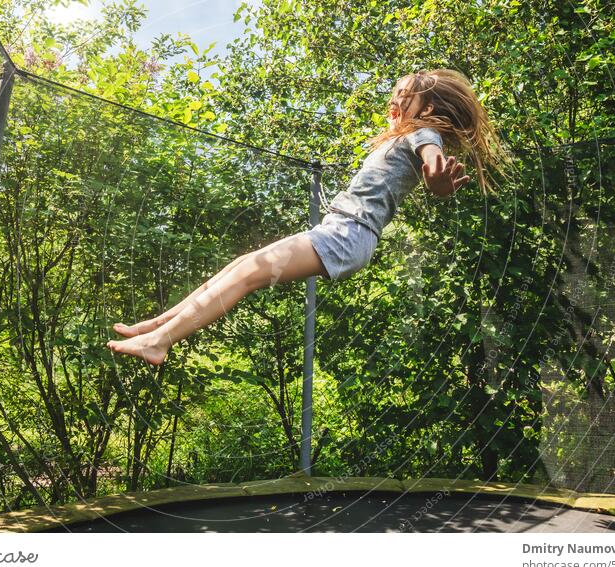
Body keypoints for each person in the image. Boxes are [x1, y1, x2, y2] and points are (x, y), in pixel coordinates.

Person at [106, 69, 511, 365]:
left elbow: (433, 160)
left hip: (349, 235)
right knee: (240, 266)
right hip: (337, 229)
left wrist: (438, 182)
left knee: (248, 274)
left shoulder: (423, 134)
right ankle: (156, 328)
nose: (394, 99)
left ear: (428, 106)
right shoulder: (404, 134)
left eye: (403, 95)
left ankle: (159, 342)